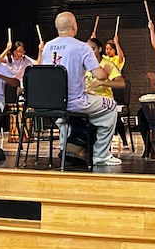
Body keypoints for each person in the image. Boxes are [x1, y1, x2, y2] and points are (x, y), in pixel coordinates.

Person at [40, 11, 121, 166]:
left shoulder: (47, 47)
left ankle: (66, 147)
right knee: (111, 106)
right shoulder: (82, 47)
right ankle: (101, 155)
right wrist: (106, 72)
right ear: (74, 26)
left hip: (52, 103)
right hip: (74, 102)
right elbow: (100, 75)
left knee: (65, 115)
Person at [82, 37, 128, 149]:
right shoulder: (83, 65)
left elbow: (121, 84)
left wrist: (102, 83)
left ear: (99, 49)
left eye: (93, 49)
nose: (90, 52)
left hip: (103, 100)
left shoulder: (107, 64)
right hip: (86, 100)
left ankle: (101, 149)